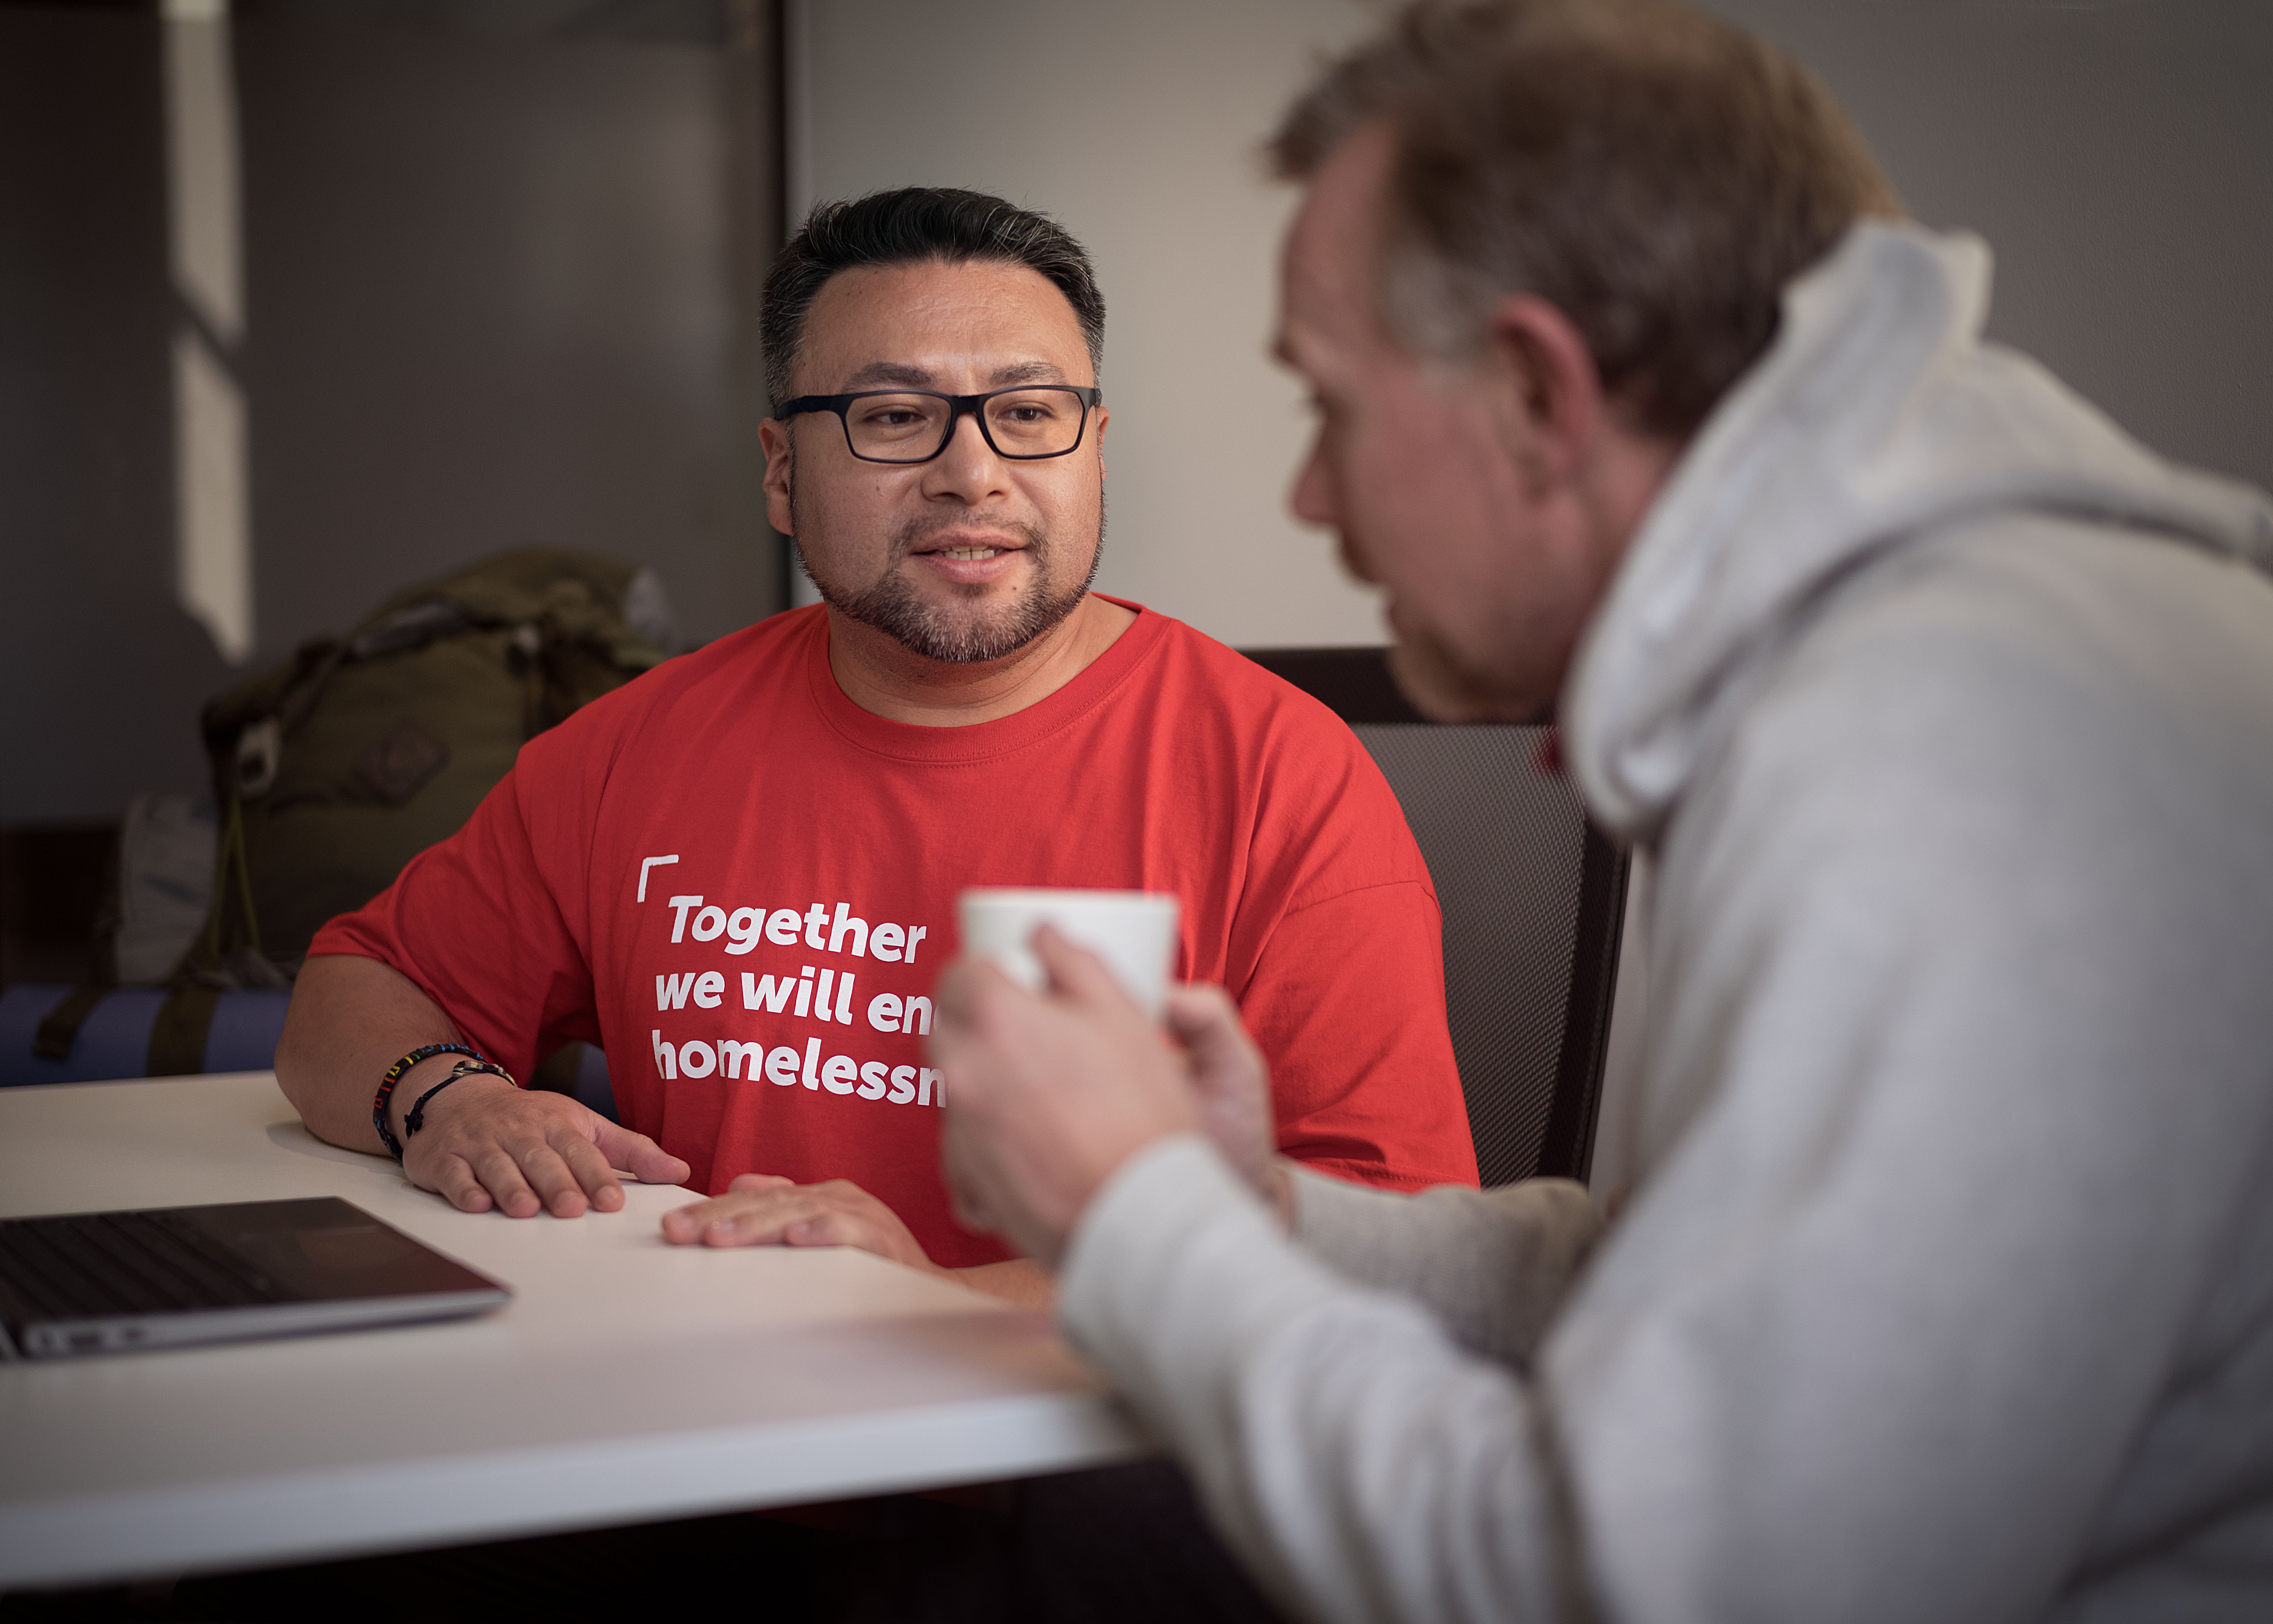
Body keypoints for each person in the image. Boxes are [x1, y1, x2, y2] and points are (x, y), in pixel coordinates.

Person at [929, 1, 2273, 1617]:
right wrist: (1263, 1210)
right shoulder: (1981, 643)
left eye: (1331, 406)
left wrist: (1135, 1219)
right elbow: (1709, 1277)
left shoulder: (1947, 759)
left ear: (1535, 399)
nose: (1309, 494)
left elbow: (1644, 1591)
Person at [275, 187, 1479, 1309]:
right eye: (895, 418)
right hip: (698, 1417)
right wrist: (447, 1095)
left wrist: (928, 1299)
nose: (974, 474)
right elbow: (352, 992)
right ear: (781, 472)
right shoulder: (640, 746)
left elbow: (1391, 1249)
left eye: (1029, 415)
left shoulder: (1283, 780)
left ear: (1095, 448)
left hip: (1077, 1439)